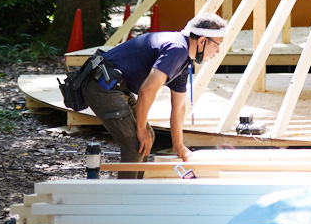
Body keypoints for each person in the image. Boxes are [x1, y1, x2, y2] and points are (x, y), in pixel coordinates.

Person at [79, 12, 226, 178]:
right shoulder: (177, 49)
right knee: (135, 143)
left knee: (147, 138)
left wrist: (178, 146)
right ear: (201, 41)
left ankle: (139, 189)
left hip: (116, 86)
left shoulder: (184, 60)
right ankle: (126, 199)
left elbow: (178, 106)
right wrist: (140, 129)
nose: (218, 51)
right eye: (217, 45)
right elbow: (147, 90)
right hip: (101, 85)